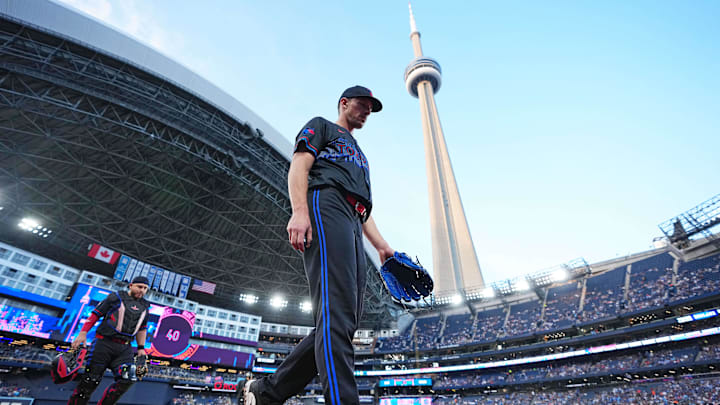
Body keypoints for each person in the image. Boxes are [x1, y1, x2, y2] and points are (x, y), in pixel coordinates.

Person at [243, 86, 395, 405]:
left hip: (353, 219)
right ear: (344, 103)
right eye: (362, 104)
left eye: (371, 107)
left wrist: (382, 247)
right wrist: (300, 212)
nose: (367, 110)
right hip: (325, 204)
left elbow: (363, 209)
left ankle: (267, 393)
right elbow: (299, 164)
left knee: (345, 319)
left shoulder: (361, 155)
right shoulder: (323, 126)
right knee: (336, 314)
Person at [66, 276, 151, 405]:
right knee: (90, 381)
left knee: (128, 378)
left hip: (125, 348)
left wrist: (141, 348)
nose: (142, 290)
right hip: (103, 344)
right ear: (131, 285)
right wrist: (83, 333)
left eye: (145, 288)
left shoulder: (145, 306)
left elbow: (142, 329)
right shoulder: (115, 297)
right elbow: (96, 314)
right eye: (140, 287)